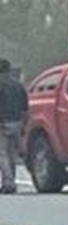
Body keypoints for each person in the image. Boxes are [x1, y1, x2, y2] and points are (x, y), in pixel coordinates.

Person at [0, 59, 27, 194]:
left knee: (2, 154)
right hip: (17, 122)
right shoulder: (18, 85)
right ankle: (12, 180)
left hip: (2, 122)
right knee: (12, 154)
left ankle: (8, 182)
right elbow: (25, 106)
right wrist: (24, 124)